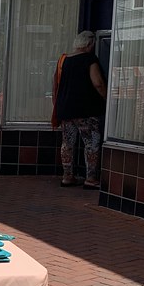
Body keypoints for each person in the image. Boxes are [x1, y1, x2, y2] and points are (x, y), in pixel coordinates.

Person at [53, 30, 107, 189]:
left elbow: (55, 84)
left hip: (66, 110)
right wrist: (107, 99)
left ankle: (67, 176)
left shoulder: (64, 60)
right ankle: (90, 178)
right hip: (86, 110)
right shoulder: (89, 59)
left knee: (67, 143)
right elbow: (98, 83)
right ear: (90, 44)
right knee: (91, 143)